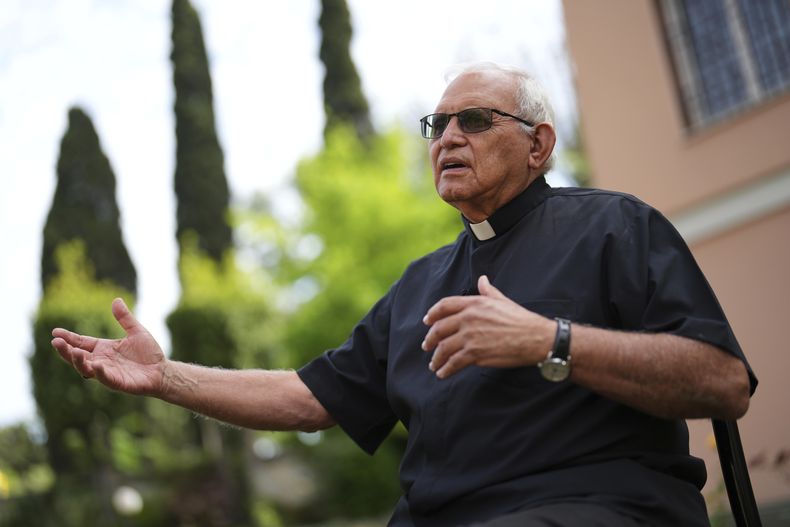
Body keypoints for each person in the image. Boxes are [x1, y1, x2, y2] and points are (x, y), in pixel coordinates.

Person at [52, 62, 756, 527]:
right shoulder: (419, 284)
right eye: (436, 124)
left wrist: (551, 340)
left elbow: (723, 382)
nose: (447, 137)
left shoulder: (614, 227)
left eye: (474, 120)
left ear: (539, 145)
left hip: (596, 508)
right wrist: (165, 376)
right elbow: (307, 398)